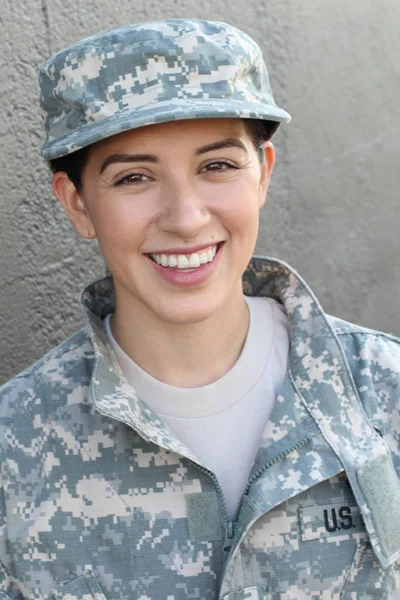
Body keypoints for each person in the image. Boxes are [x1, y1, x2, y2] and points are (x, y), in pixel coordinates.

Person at [0, 18, 399, 600]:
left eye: (216, 166)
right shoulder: (14, 450)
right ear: (78, 203)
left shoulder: (385, 393)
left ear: (261, 173)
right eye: (134, 177)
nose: (186, 218)